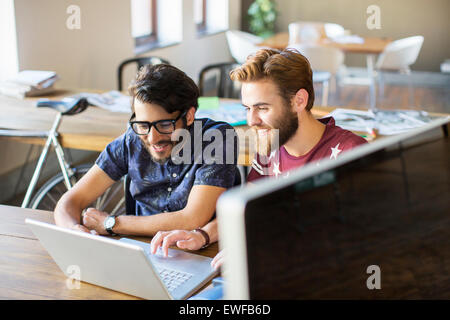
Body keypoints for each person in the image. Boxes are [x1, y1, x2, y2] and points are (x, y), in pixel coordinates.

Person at [150, 48, 367, 270]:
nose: (252, 121)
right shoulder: (269, 144)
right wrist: (202, 235)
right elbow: (250, 212)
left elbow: (352, 244)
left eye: (262, 108)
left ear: (299, 101)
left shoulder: (350, 154)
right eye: (247, 108)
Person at [54, 64, 238, 237]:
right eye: (143, 125)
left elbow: (192, 219)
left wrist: (112, 224)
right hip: (143, 248)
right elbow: (69, 202)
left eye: (165, 125)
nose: (152, 138)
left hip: (204, 252)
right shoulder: (130, 141)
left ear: (189, 116)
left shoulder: (217, 138)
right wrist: (74, 231)